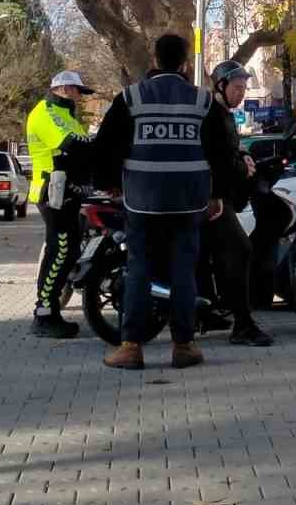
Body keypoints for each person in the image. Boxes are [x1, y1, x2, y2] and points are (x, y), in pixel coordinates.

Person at [93, 34, 238, 370]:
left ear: (155, 60)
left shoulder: (131, 97)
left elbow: (106, 145)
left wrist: (110, 183)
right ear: (185, 64)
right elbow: (221, 153)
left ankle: (130, 347)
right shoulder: (202, 101)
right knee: (184, 270)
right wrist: (218, 195)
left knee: (139, 268)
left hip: (142, 200)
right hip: (189, 201)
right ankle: (184, 346)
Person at [199, 60, 274, 347]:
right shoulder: (212, 116)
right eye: (237, 87)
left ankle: (205, 313)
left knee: (209, 255)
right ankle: (243, 325)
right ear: (221, 85)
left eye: (244, 88)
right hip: (212, 199)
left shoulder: (224, 115)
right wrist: (243, 169)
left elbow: (230, 150)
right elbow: (218, 160)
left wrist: (243, 155)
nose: (241, 93)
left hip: (217, 195)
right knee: (241, 250)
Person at [26, 70, 97, 338]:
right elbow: (73, 145)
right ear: (65, 89)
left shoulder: (66, 114)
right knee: (61, 250)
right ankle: (44, 314)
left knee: (67, 250)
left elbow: (85, 151)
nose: (80, 97)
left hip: (66, 191)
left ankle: (49, 310)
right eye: (78, 91)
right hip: (53, 191)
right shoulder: (46, 112)